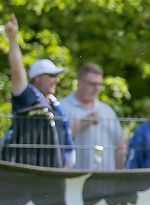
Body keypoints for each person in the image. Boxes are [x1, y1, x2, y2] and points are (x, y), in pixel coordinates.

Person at [3, 14, 74, 168]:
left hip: (53, 175)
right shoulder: (27, 98)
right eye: (52, 76)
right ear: (37, 79)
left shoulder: (56, 107)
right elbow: (17, 72)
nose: (57, 80)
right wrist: (13, 38)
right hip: (27, 174)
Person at [60, 63, 125, 170]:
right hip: (75, 179)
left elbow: (120, 146)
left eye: (99, 84)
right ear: (79, 83)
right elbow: (54, 143)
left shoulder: (107, 110)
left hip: (106, 179)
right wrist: (80, 125)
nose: (97, 89)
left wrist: (120, 175)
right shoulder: (62, 107)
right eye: (92, 84)